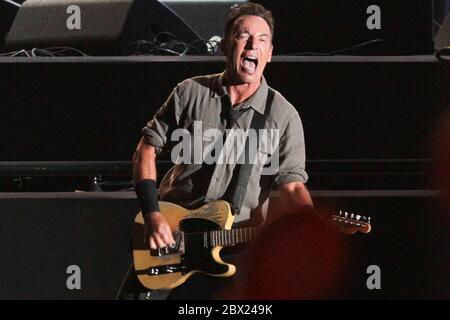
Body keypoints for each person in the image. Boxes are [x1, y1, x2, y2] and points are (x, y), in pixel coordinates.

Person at [117, 2, 314, 300]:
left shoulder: (283, 115)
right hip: (172, 236)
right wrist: (153, 214)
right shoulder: (190, 92)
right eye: (243, 36)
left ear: (270, 53)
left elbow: (293, 184)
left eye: (262, 40)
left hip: (234, 248)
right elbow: (146, 148)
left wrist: (311, 224)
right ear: (225, 45)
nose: (252, 45)